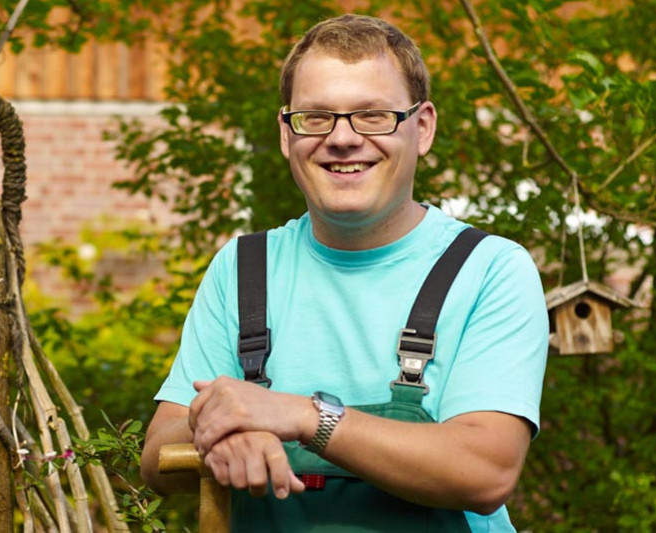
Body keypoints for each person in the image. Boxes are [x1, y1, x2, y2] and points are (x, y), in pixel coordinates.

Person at [141, 14, 548, 532]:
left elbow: (486, 472)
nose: (342, 138)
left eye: (373, 116)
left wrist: (306, 417)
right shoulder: (243, 269)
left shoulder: (489, 268)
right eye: (316, 117)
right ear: (287, 135)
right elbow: (156, 456)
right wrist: (215, 427)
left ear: (421, 129)